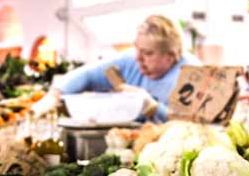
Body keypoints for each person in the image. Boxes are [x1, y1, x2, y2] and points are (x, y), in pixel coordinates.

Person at [32, 15, 200, 122]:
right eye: (137, 49)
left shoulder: (193, 74)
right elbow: (88, 75)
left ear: (171, 56)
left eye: (148, 53)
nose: (138, 58)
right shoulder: (129, 60)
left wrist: (153, 106)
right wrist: (54, 95)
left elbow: (193, 126)